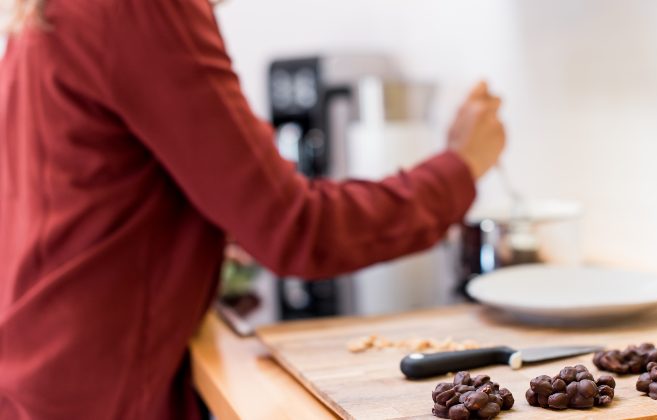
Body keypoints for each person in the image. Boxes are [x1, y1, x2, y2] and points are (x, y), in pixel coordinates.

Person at [0, 0, 506, 418]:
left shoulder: (49, 13)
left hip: (42, 368)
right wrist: (461, 166)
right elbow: (299, 230)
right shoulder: (142, 9)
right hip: (102, 390)